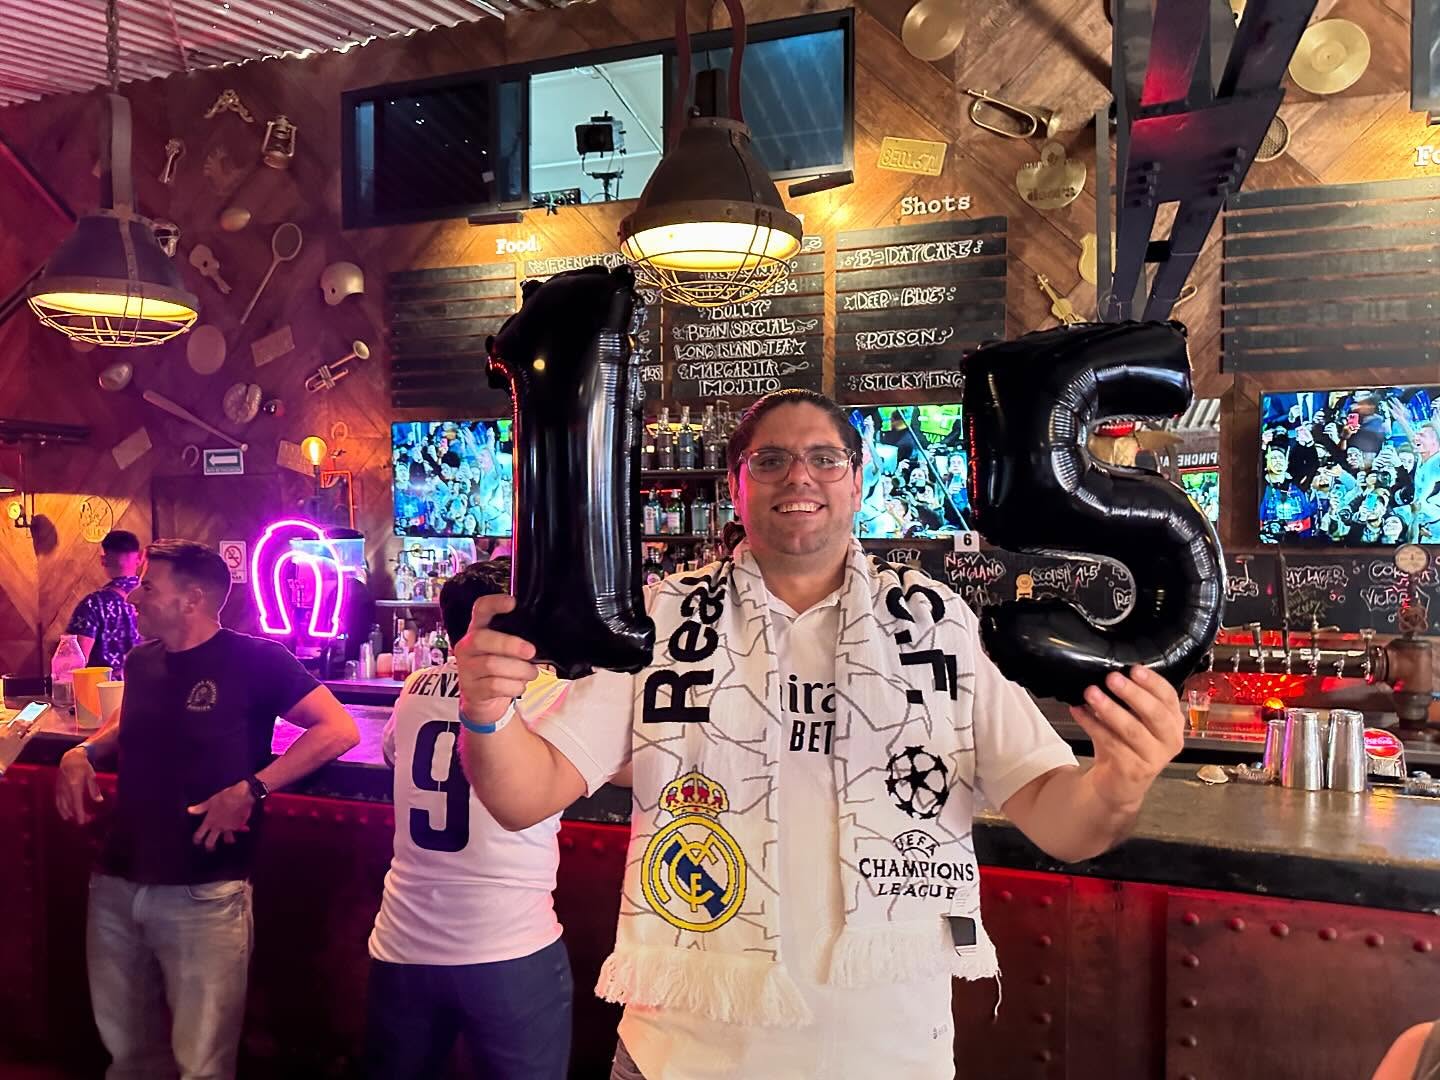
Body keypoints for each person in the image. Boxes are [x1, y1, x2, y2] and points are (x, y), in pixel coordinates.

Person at [455, 389, 1186, 1080]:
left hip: (889, 1056)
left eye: (825, 458)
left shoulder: (938, 624)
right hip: (681, 1055)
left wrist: (1120, 782)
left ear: (857, 481)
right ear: (735, 486)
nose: (798, 475)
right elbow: (524, 795)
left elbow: (1061, 822)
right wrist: (487, 710)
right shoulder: (663, 619)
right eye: (770, 459)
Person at [54, 539, 360, 1080]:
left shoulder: (256, 659)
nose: (133, 598)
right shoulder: (141, 660)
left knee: (202, 1066)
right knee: (129, 1059)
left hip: (204, 891)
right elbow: (129, 721)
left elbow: (338, 729)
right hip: (117, 881)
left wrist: (252, 788)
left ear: (191, 599)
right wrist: (83, 751)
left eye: (148, 587)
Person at [366, 558, 574, 1080]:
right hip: (510, 948)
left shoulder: (415, 685)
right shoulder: (551, 692)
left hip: (401, 945)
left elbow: (392, 753)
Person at [66, 529, 144, 677]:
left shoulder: (92, 604)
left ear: (103, 560)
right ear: (139, 558)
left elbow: (78, 663)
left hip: (105, 688)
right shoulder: (156, 598)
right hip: (150, 687)